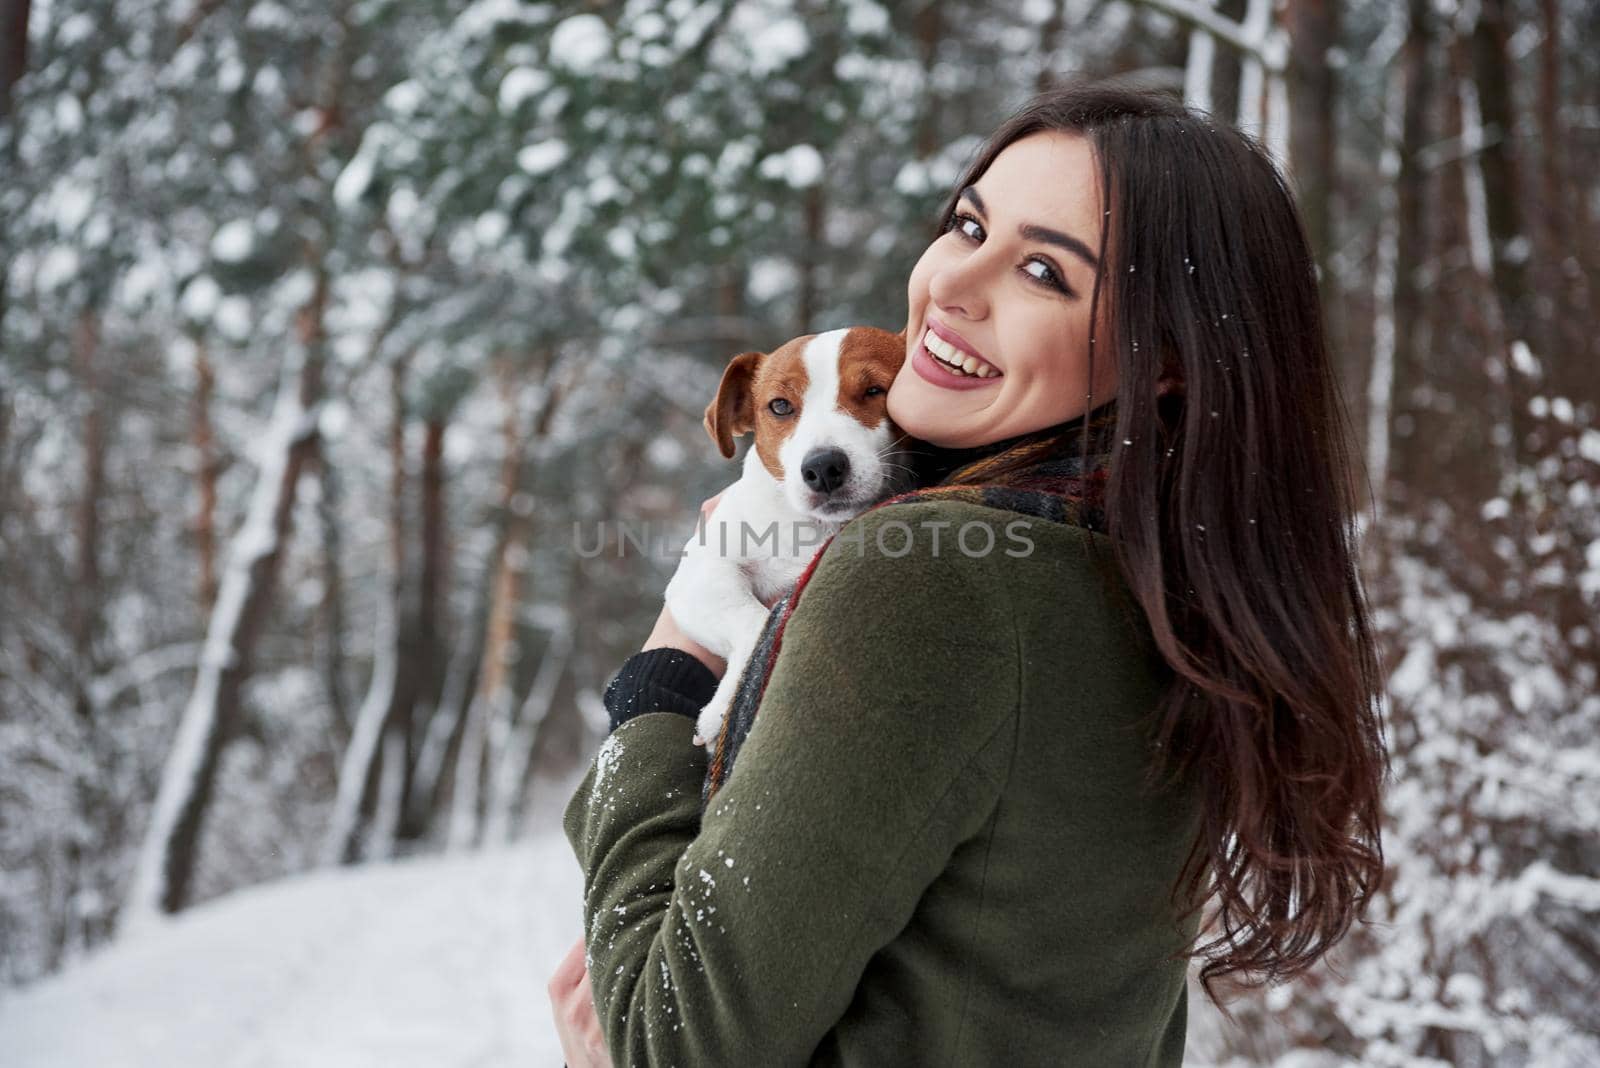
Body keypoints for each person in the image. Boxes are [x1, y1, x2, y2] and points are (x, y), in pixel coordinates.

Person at [549, 80, 1387, 1067]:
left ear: (1162, 356)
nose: (951, 286)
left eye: (1040, 269)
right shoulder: (1155, 579)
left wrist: (663, 675)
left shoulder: (929, 580)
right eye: (967, 224)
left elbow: (666, 1038)